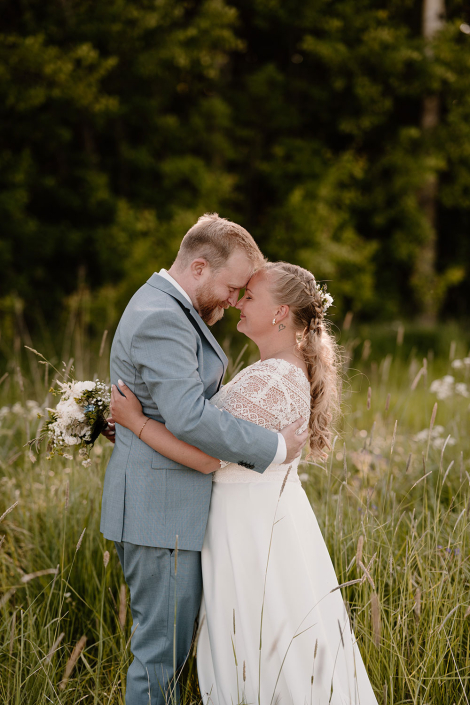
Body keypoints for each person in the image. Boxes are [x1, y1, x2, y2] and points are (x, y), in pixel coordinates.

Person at [110, 262, 379, 705]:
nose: (238, 301)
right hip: (251, 528)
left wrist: (136, 422)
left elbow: (203, 456)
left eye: (250, 296)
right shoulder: (271, 370)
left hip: (252, 539)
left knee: (258, 653)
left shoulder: (273, 380)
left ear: (281, 312)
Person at [100, 214, 308, 705]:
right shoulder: (161, 314)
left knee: (166, 657)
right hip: (160, 514)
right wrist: (274, 448)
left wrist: (134, 424)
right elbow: (190, 416)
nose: (235, 298)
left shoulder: (173, 307)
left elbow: (166, 404)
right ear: (198, 268)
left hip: (172, 509)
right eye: (233, 287)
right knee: (159, 660)